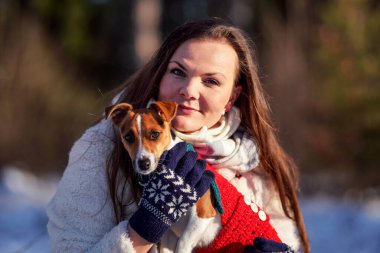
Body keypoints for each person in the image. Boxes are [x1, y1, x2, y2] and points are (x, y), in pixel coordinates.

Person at [46, 18, 310, 253]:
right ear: (159, 75)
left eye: (211, 81)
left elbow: (286, 242)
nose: (189, 90)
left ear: (232, 98)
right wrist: (142, 231)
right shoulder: (101, 149)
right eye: (178, 72)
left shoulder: (256, 169)